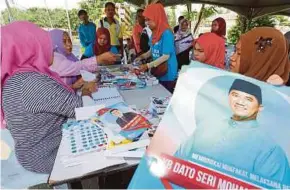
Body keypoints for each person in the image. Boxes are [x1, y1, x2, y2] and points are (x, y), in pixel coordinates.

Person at [1, 21, 97, 173]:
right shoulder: (30, 82)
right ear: (30, 48)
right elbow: (85, 110)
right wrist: (86, 90)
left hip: (33, 154)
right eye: (44, 43)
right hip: (48, 156)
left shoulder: (15, 79)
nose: (52, 48)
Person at [175, 79, 290, 184]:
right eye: (235, 95)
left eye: (249, 99)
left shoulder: (270, 149)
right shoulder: (207, 125)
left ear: (260, 108)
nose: (240, 101)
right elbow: (176, 163)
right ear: (228, 97)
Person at [49, 29, 117, 89]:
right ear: (56, 43)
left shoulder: (70, 56)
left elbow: (80, 69)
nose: (69, 44)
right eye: (64, 41)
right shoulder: (54, 59)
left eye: (69, 40)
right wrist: (99, 59)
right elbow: (77, 66)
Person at [135, 3, 178, 93]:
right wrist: (142, 57)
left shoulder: (167, 33)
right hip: (158, 70)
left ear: (157, 17)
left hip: (168, 73)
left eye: (149, 20)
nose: (146, 23)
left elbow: (166, 56)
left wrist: (147, 66)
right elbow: (152, 50)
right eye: (145, 20)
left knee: (165, 96)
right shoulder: (154, 33)